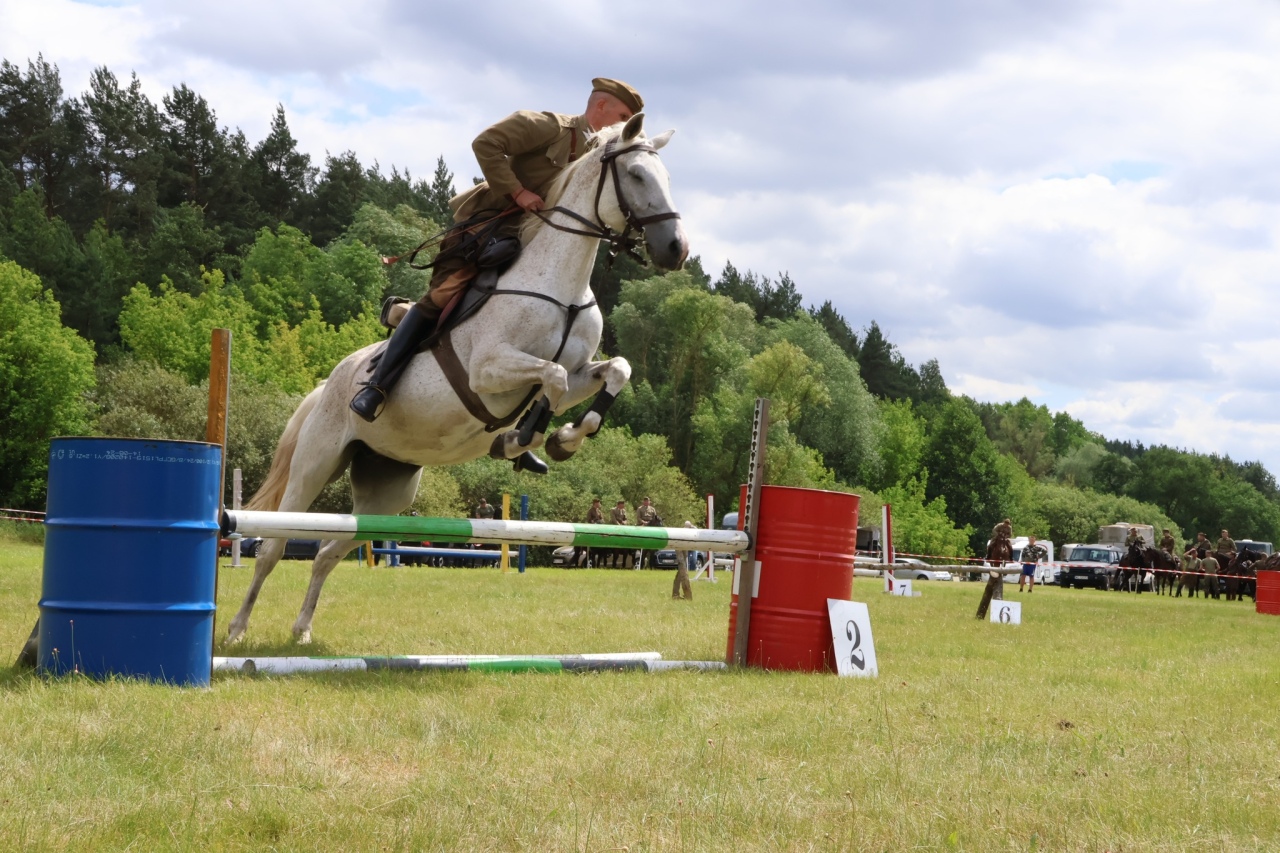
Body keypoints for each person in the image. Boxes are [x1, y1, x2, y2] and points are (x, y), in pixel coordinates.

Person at [350, 78, 644, 435]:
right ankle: (377, 386)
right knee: (444, 294)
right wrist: (517, 192)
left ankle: (522, 434)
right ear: (600, 107)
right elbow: (486, 143)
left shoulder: (600, 157)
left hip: (540, 237)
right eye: (622, 115)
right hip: (490, 226)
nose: (623, 124)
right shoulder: (550, 126)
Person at [673, 521, 696, 600]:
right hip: (680, 553)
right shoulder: (682, 534)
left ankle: (675, 594)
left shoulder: (687, 531)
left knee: (680, 574)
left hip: (683, 553)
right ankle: (685, 595)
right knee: (683, 572)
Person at [636, 497, 659, 568]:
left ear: (649, 502)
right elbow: (638, 517)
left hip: (651, 523)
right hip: (642, 523)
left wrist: (650, 523)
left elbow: (655, 517)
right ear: (643, 502)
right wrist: (644, 522)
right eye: (645, 501)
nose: (646, 502)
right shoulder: (640, 509)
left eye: (647, 501)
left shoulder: (652, 509)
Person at [610, 499, 629, 568]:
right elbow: (613, 519)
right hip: (615, 527)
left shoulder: (623, 510)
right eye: (622, 505)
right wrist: (619, 525)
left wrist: (625, 522)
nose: (623, 506)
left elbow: (626, 519)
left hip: (622, 528)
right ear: (619, 504)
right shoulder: (613, 510)